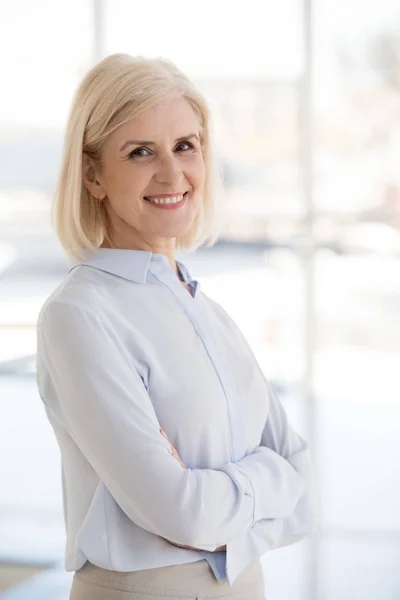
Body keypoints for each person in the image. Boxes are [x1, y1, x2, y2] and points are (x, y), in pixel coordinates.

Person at [35, 53, 315, 600]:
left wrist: (221, 498)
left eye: (185, 146)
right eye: (141, 152)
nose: (171, 173)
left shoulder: (208, 311)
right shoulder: (80, 315)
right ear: (93, 174)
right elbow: (182, 514)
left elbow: (304, 487)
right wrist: (263, 477)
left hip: (244, 585)